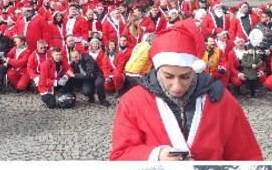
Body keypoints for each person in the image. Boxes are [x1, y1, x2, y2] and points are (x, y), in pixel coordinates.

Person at [109, 20, 263, 161]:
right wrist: (155, 156)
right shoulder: (133, 102)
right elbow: (120, 155)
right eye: (168, 76)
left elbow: (247, 157)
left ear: (195, 71)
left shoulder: (222, 101)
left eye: (185, 76)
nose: (176, 86)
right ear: (156, 69)